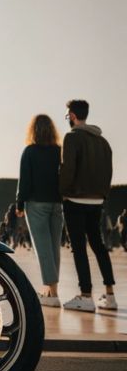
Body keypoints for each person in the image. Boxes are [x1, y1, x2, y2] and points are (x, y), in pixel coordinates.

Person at [60, 99, 116, 311]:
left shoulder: (72, 137)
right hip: (97, 200)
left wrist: (64, 193)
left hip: (75, 199)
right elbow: (108, 170)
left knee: (79, 248)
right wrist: (102, 194)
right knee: (98, 245)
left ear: (72, 116)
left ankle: (85, 295)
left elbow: (68, 168)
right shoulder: (103, 141)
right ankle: (110, 295)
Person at [16, 114, 64, 306]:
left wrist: (20, 204)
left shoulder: (29, 151)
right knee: (54, 248)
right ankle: (52, 291)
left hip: (36, 203)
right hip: (57, 203)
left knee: (43, 248)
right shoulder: (59, 151)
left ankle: (51, 296)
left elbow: (25, 180)